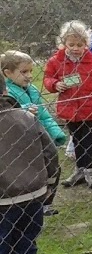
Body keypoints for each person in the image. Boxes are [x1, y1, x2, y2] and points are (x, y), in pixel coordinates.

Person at [0, 66, 60, 254]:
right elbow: (50, 154)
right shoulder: (26, 117)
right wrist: (48, 189)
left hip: (3, 202)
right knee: (26, 240)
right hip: (34, 195)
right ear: (5, 88)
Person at [44, 21, 92, 189]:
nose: (75, 48)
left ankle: (90, 171)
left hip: (91, 109)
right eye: (71, 44)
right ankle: (79, 170)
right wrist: (55, 84)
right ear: (63, 44)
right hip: (70, 109)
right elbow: (47, 78)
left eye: (80, 44)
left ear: (86, 44)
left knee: (89, 140)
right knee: (76, 140)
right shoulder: (56, 61)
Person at [2, 50, 67, 216]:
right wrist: (23, 110)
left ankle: (45, 203)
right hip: (22, 142)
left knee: (49, 169)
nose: (29, 76)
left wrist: (55, 133)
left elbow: (43, 114)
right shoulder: (7, 93)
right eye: (24, 72)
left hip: (40, 138)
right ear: (7, 73)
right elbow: (9, 114)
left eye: (31, 71)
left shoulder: (32, 90)